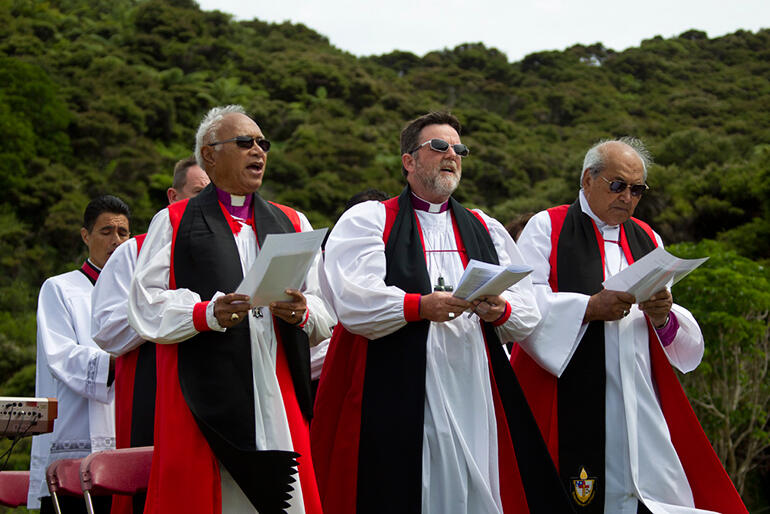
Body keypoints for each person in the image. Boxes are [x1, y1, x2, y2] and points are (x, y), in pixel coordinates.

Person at [312, 112, 573, 513]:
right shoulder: (369, 220)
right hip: (399, 381)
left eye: (458, 148)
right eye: (439, 146)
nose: (452, 154)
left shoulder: (485, 228)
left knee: (478, 484)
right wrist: (420, 306)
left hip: (473, 383)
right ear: (409, 161)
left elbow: (526, 312)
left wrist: (499, 309)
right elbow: (354, 303)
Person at [512, 137, 747, 513]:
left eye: (637, 190)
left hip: (637, 392)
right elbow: (521, 303)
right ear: (588, 179)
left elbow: (673, 337)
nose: (627, 197)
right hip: (571, 391)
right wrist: (588, 307)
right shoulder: (548, 226)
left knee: (657, 493)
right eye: (618, 185)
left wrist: (662, 314)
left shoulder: (648, 237)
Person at [127, 105, 333, 514]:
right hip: (204, 392)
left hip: (276, 383)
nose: (258, 150)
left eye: (262, 143)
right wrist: (206, 313)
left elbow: (326, 304)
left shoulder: (292, 221)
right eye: (245, 143)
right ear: (209, 154)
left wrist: (304, 312)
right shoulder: (173, 221)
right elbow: (145, 303)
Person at [90, 157, 209, 514]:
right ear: (173, 196)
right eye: (199, 194)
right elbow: (107, 329)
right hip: (152, 385)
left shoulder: (237, 243)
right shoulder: (134, 250)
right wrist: (164, 313)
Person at [28, 195, 131, 513]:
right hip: (75, 438)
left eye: (123, 233)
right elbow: (61, 356)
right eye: (106, 231)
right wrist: (121, 365)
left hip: (126, 439)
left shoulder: (137, 295)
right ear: (85, 235)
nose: (115, 240)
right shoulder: (60, 288)